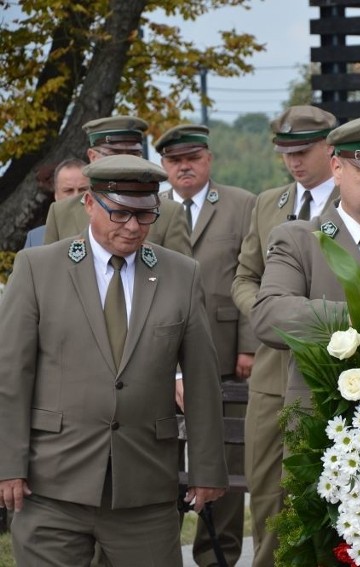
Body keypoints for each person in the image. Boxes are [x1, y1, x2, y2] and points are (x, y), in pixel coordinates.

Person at [0, 154, 228, 567]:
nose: (133, 227)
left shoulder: (181, 274)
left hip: (145, 488)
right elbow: (11, 374)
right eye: (120, 213)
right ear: (89, 203)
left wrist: (208, 468)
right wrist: (7, 463)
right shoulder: (38, 268)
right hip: (51, 486)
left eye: (145, 216)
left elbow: (201, 378)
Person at [251, 113, 360, 406]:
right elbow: (269, 315)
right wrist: (359, 318)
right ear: (337, 168)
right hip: (324, 427)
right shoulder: (299, 240)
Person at [231, 104, 338, 567]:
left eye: (303, 151)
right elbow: (243, 277)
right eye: (285, 152)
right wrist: (267, 315)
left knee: (325, 494)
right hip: (272, 373)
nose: (293, 162)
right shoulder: (267, 203)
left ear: (330, 149)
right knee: (268, 494)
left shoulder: (355, 203)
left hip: (332, 371)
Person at [154, 123, 257, 567]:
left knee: (227, 463)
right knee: (161, 461)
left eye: (192, 159)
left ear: (208, 159)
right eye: (175, 161)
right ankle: (159, 551)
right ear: (164, 166)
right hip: (159, 359)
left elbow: (254, 274)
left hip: (225, 354)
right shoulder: (148, 208)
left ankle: (219, 555)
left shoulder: (241, 204)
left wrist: (249, 343)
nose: (184, 167)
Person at [42, 116, 192, 256]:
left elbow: (179, 276)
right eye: (115, 154)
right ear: (92, 157)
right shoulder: (61, 212)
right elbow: (51, 273)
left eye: (134, 154)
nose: (125, 162)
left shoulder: (168, 212)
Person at [23, 158, 89, 248]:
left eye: (82, 190)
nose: (76, 197)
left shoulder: (110, 230)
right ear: (56, 195)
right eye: (69, 191)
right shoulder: (35, 239)